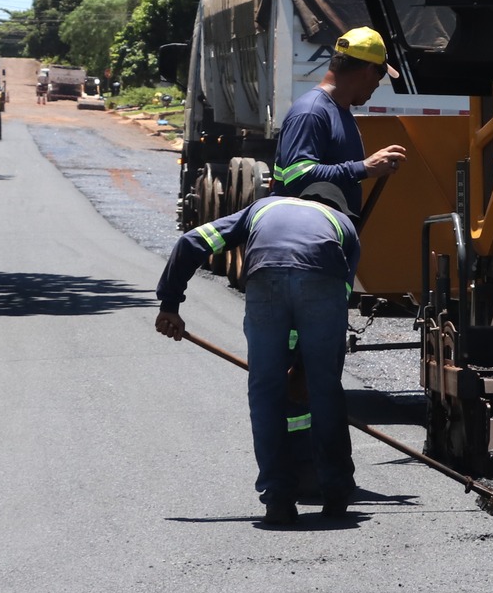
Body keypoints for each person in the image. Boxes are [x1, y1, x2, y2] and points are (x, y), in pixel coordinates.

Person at [154, 180, 362, 525]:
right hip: (322, 281)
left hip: (265, 276)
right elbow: (337, 298)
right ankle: (336, 494)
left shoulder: (261, 208)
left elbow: (192, 241)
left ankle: (278, 499)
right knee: (326, 392)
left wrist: (170, 304)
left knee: (265, 392)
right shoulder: (345, 226)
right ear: (335, 207)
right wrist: (306, 370)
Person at [272, 27, 406, 202]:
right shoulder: (311, 112)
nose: (378, 84)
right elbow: (297, 176)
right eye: (380, 74)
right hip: (307, 228)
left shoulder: (339, 111)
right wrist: (365, 168)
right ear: (369, 71)